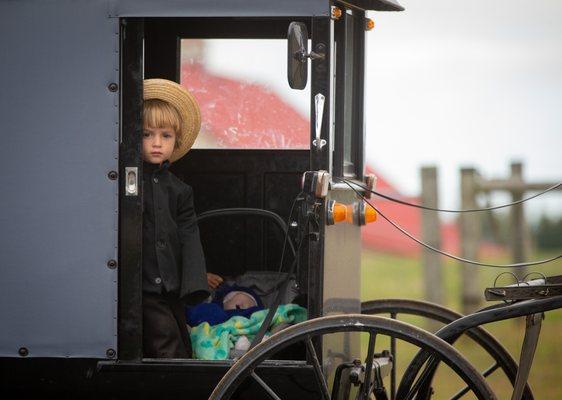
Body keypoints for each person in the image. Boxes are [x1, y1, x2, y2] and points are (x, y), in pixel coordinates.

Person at [141, 78, 212, 358]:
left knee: (181, 339)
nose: (156, 143)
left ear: (176, 140)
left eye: (165, 136)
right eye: (147, 134)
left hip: (169, 285)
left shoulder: (180, 190)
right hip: (142, 285)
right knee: (164, 341)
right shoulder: (127, 185)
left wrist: (194, 283)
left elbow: (189, 235)